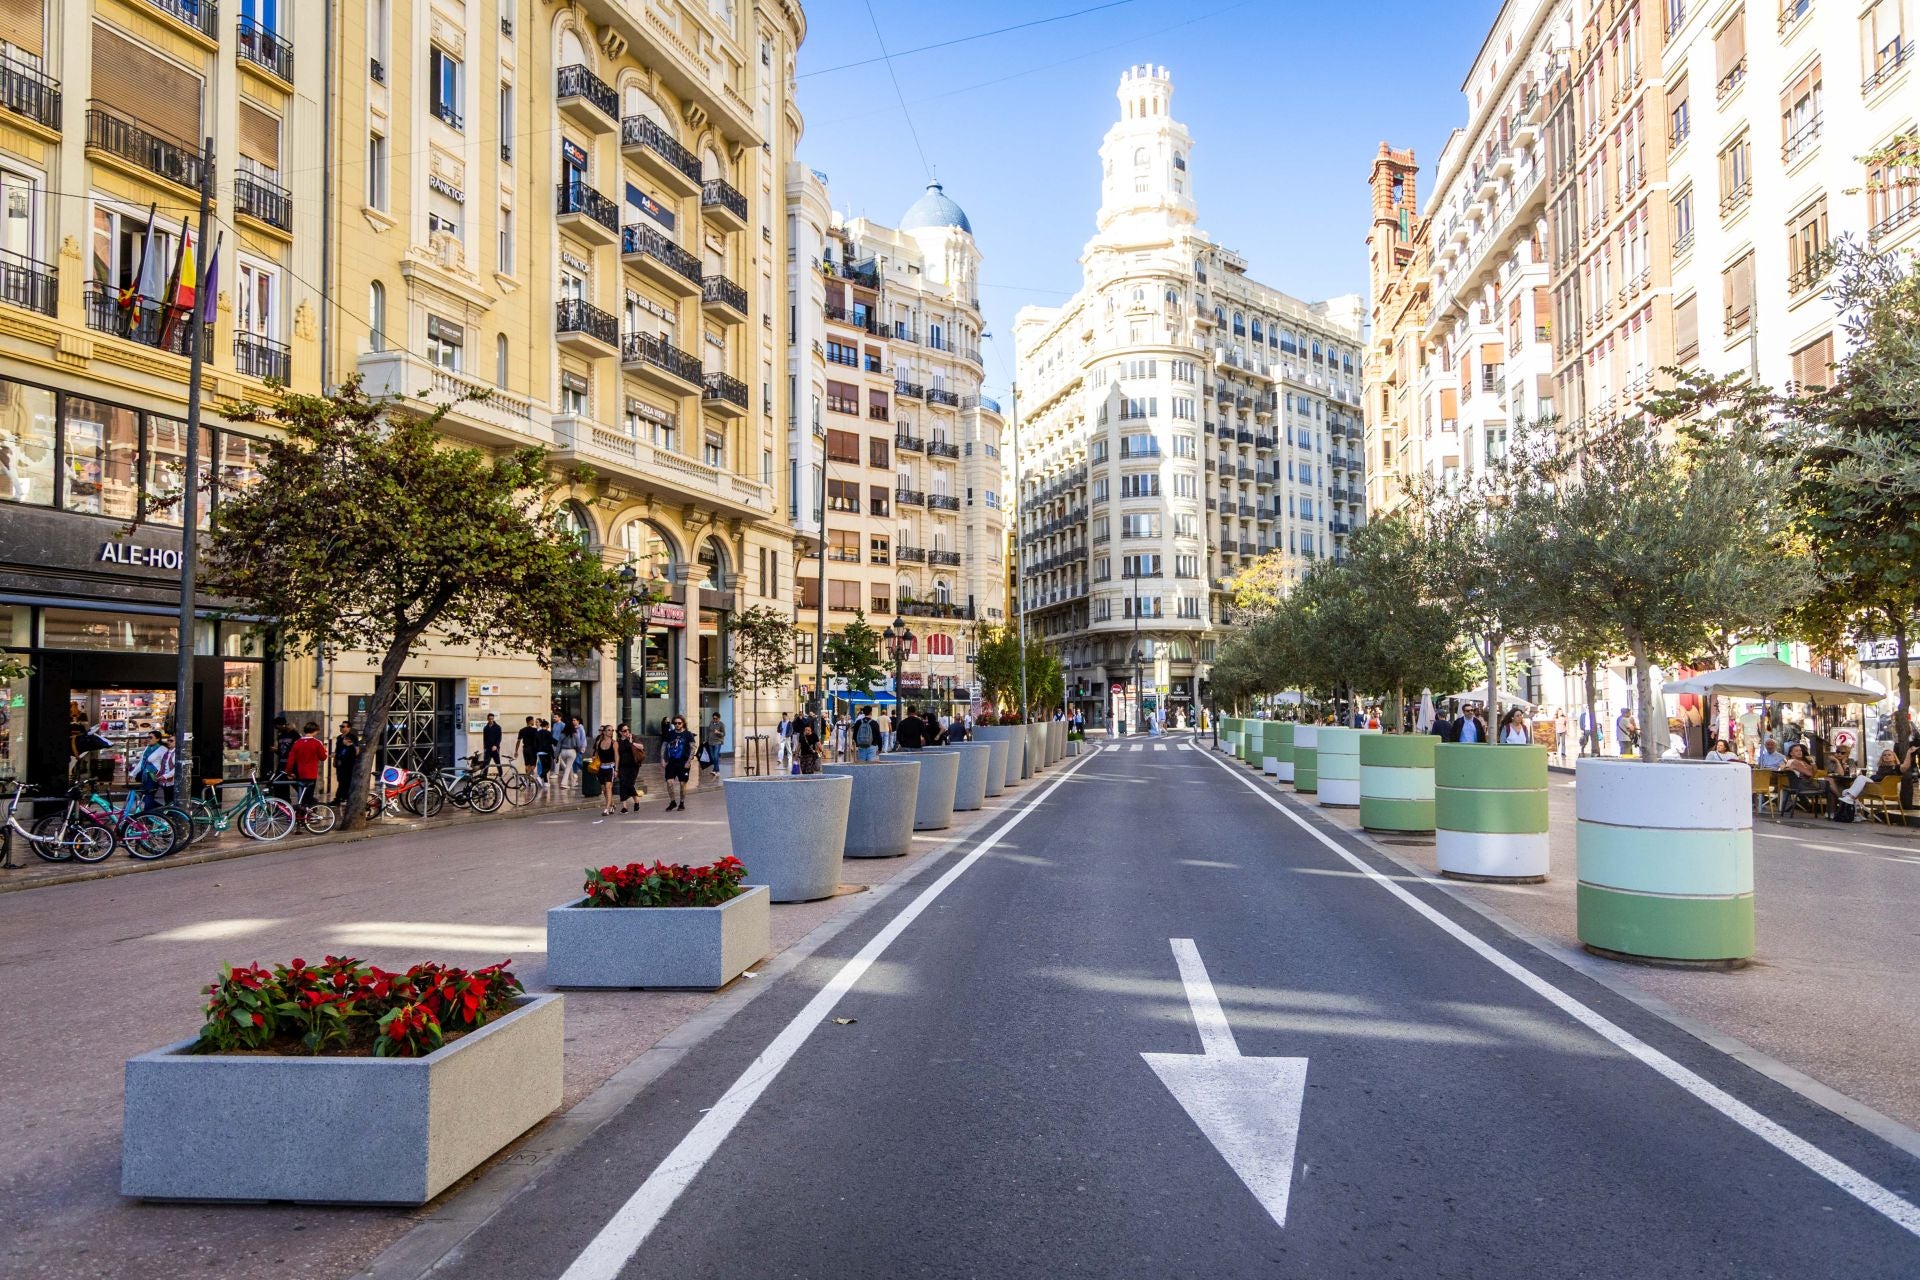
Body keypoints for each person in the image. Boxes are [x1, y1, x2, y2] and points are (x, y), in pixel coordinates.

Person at [285, 722, 327, 808]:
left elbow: (290, 760)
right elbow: (323, 757)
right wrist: (325, 750)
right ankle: (308, 814)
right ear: (315, 731)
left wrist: (288, 772)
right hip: (311, 774)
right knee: (309, 796)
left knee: (301, 796)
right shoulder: (317, 743)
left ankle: (301, 814)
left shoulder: (297, 743)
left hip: (300, 774)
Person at [1778, 743, 1824, 817]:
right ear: (1791, 753)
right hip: (1803, 785)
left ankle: (1839, 807)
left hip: (1803, 784)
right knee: (1829, 783)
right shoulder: (1795, 762)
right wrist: (1812, 770)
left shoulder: (1802, 762)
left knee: (1830, 782)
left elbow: (1815, 771)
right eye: (1796, 751)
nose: (1800, 752)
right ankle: (1838, 807)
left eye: (1800, 750)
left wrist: (1812, 762)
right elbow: (1810, 774)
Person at [132, 729, 174, 810]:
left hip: (154, 776)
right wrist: (133, 773)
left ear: (158, 739)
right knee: (145, 796)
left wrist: (166, 776)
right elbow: (142, 761)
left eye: (150, 737)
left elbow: (166, 763)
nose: (148, 739)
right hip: (145, 775)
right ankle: (161, 809)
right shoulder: (148, 747)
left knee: (148, 796)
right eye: (148, 737)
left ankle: (147, 817)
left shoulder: (162, 749)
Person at [660, 715, 696, 807]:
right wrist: (662, 759)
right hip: (671, 762)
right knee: (669, 782)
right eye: (675, 723)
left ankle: (682, 802)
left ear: (683, 723)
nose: (677, 725)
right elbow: (664, 746)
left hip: (683, 762)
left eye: (679, 723)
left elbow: (693, 748)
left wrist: (689, 761)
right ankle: (672, 802)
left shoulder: (688, 734)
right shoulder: (670, 734)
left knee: (682, 783)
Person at [615, 724, 646, 813]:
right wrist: (616, 769)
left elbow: (642, 747)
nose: (627, 732)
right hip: (622, 766)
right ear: (620, 732)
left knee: (629, 784)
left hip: (633, 766)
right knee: (623, 785)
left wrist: (631, 742)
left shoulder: (633, 737)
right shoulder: (618, 742)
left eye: (628, 730)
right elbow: (617, 756)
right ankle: (624, 807)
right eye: (624, 731)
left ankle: (636, 801)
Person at [332, 722, 361, 805]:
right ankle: (343, 797)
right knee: (340, 780)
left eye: (343, 726)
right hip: (340, 762)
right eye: (340, 726)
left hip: (348, 763)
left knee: (344, 781)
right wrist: (335, 760)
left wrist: (352, 754)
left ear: (348, 728)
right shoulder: (339, 738)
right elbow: (337, 749)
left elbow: (356, 749)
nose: (341, 728)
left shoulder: (352, 737)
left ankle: (339, 799)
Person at [594, 725, 619, 816]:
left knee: (608, 788)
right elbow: (596, 753)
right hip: (601, 768)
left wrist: (616, 769)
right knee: (604, 790)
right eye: (609, 730)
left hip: (610, 768)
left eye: (612, 730)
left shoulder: (614, 743)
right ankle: (612, 805)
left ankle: (607, 809)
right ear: (604, 732)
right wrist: (594, 759)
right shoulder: (599, 742)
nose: (611, 732)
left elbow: (617, 756)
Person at [516, 716, 541, 781]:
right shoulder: (534, 730)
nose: (534, 722)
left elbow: (518, 741)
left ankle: (529, 779)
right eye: (533, 721)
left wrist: (516, 751)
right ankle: (526, 777)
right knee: (533, 765)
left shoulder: (522, 730)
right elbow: (537, 740)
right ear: (530, 721)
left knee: (527, 765)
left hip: (525, 749)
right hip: (532, 749)